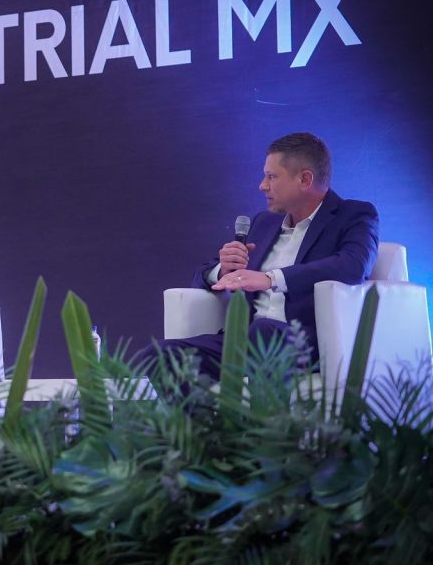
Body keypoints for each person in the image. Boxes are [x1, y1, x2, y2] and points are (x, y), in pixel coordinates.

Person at [137, 132, 379, 384]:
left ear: (305, 179)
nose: (262, 185)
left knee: (264, 330)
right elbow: (203, 276)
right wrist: (223, 270)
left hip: (303, 343)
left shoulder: (354, 215)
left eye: (272, 177)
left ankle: (260, 409)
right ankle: (208, 413)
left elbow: (354, 265)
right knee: (158, 355)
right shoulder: (264, 222)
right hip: (245, 340)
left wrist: (270, 279)